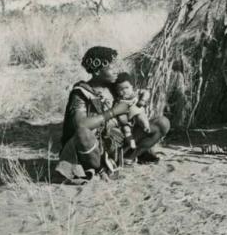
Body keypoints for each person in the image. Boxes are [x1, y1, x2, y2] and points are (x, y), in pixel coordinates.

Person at [54, 46, 170, 183]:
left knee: (162, 123)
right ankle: (98, 168)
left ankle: (128, 158)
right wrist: (113, 112)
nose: (117, 71)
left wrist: (142, 96)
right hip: (94, 147)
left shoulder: (114, 87)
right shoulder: (81, 93)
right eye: (111, 67)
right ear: (97, 71)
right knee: (83, 134)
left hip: (119, 141)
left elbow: (132, 96)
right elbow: (80, 124)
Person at [114, 72, 151, 154]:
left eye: (126, 88)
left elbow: (147, 92)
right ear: (117, 91)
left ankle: (146, 126)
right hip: (127, 120)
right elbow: (117, 111)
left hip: (137, 113)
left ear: (132, 86)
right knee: (126, 129)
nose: (124, 91)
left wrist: (143, 100)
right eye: (120, 89)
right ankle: (131, 142)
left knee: (141, 116)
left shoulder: (136, 93)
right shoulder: (119, 100)